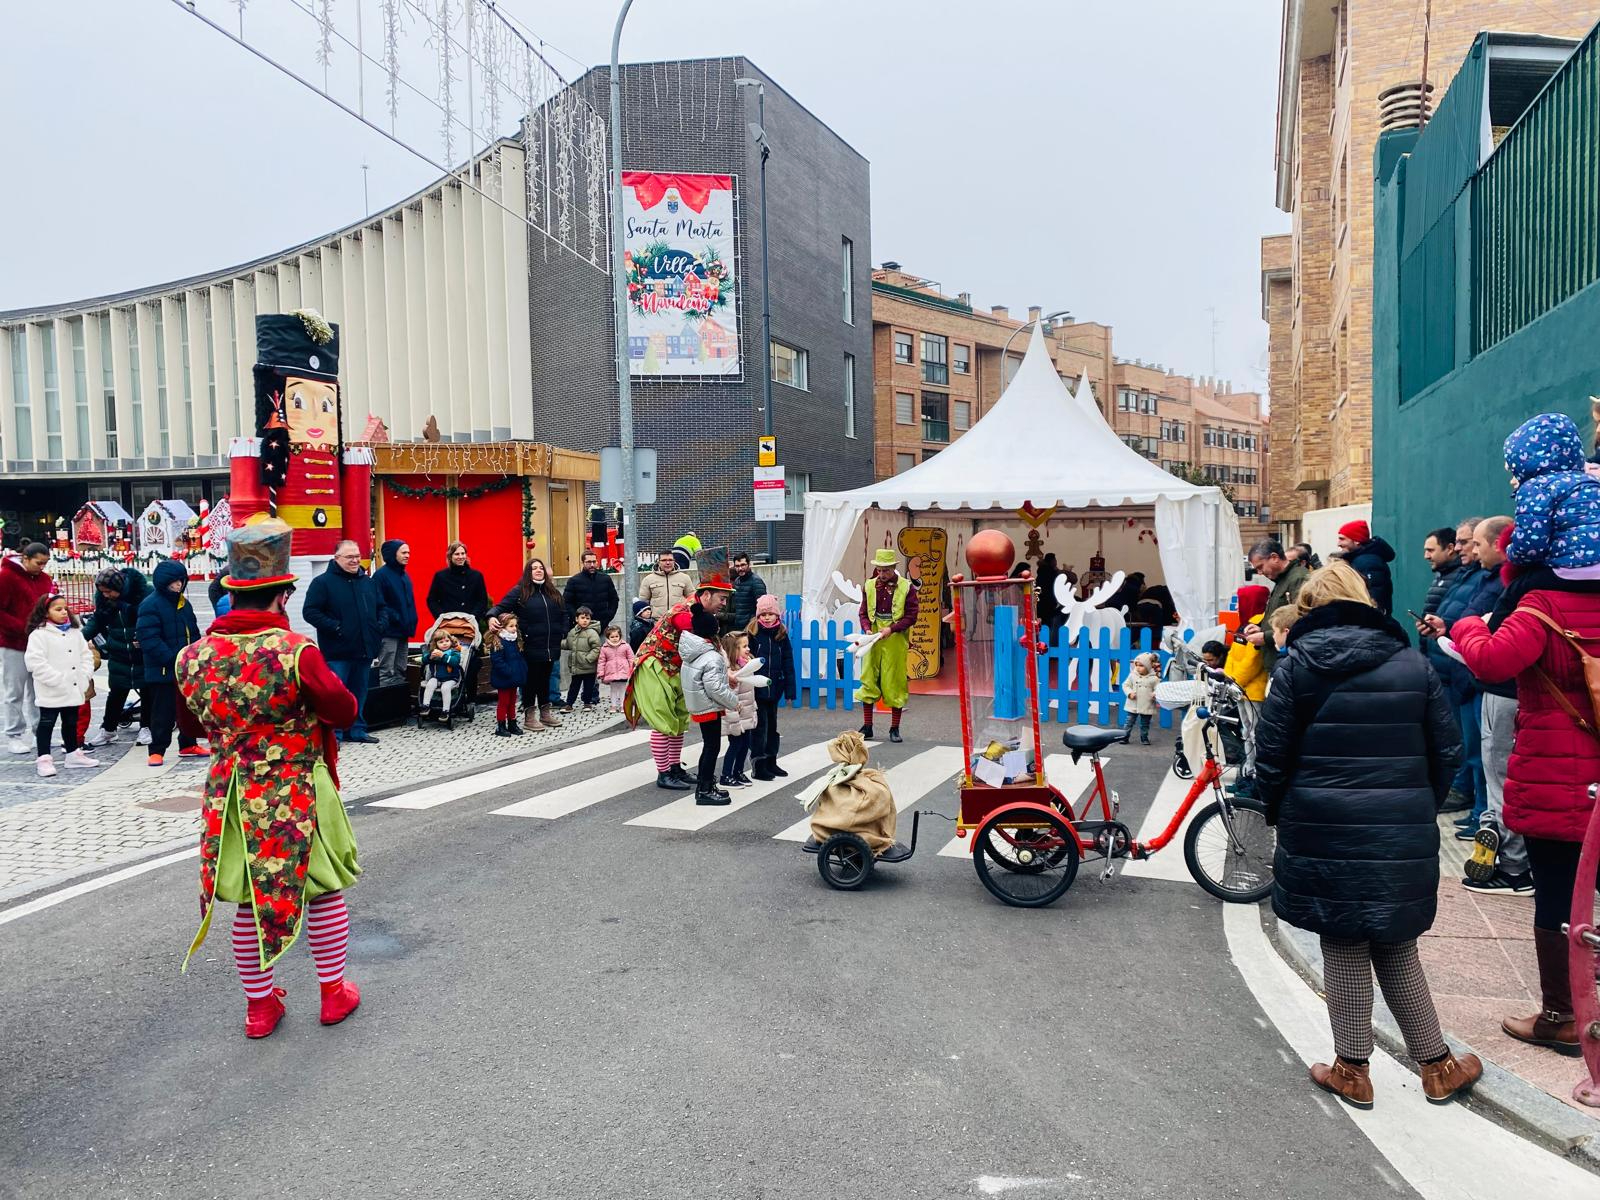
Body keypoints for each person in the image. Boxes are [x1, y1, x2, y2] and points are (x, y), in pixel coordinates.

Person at [1253, 560, 1476, 1108]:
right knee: (1396, 942)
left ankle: (1353, 1069)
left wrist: (1283, 813)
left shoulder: (1296, 667)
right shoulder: (1410, 663)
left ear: (1309, 607)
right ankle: (1437, 1065)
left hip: (1321, 823)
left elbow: (1271, 758)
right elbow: (1447, 752)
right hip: (1398, 825)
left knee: (1344, 940)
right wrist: (1416, 802)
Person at [176, 517, 362, 1040]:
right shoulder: (295, 651)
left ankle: (260, 1007)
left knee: (247, 898)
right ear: (282, 596)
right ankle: (332, 993)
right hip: (296, 786)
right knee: (321, 890)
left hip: (231, 791)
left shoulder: (192, 657)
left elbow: (189, 724)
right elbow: (343, 709)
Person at [1446, 529, 1600, 1058]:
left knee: (1556, 895)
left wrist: (1468, 624)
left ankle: (1562, 1015)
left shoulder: (1540, 605)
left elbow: (1492, 662)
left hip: (1557, 771)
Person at [626, 575, 734, 790]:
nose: (724, 603)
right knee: (663, 721)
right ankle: (663, 772)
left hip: (677, 668)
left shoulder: (702, 614)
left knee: (678, 721)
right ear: (706, 595)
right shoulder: (685, 613)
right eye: (721, 598)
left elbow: (713, 645)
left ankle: (675, 768)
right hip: (655, 665)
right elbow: (696, 634)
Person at [303, 540, 384, 745]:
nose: (355, 560)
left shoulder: (367, 581)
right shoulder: (322, 583)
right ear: (337, 558)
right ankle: (335, 734)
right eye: (350, 557)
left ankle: (357, 730)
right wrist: (336, 627)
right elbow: (310, 612)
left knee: (360, 691)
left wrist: (379, 625)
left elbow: (382, 607)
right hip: (338, 651)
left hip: (364, 648)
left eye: (357, 556)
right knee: (337, 693)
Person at [137, 560, 203, 767]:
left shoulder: (184, 603)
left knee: (188, 710)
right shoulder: (150, 604)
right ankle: (157, 750)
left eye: (180, 581)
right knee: (162, 712)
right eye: (173, 582)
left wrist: (196, 653)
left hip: (185, 668)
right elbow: (149, 639)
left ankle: (188, 744)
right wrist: (173, 659)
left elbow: (193, 632)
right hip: (163, 669)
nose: (178, 585)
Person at [24, 594, 100, 777]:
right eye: (58, 609)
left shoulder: (75, 633)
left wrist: (84, 675)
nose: (64, 612)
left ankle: (73, 753)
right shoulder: (39, 635)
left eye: (65, 608)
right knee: (47, 722)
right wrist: (57, 679)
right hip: (51, 688)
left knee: (71, 721)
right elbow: (35, 662)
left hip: (73, 687)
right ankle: (44, 758)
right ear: (45, 612)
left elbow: (86, 655)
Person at [488, 557, 566, 730]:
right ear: (528, 572)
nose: (538, 570)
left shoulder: (552, 592)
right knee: (530, 681)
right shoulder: (520, 591)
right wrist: (492, 616)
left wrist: (562, 632)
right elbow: (500, 607)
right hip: (530, 645)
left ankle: (545, 714)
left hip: (550, 646)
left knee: (545, 680)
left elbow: (564, 613)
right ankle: (529, 717)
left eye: (540, 568)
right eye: (534, 568)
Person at [81, 565, 149, 747]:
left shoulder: (141, 594)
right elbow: (96, 621)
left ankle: (147, 727)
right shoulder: (104, 602)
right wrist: (79, 638)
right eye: (102, 592)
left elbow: (151, 618)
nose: (106, 595)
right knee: (116, 692)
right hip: (118, 652)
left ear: (119, 588)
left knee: (147, 690)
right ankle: (109, 729)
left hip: (141, 652)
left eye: (109, 591)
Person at [856, 548, 919, 743]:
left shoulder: (906, 587)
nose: (882, 574)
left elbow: (911, 616)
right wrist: (867, 628)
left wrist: (891, 629)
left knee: (894, 681)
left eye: (886, 570)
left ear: (893, 568)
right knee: (868, 677)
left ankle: (894, 728)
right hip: (873, 636)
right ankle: (867, 726)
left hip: (895, 638)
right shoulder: (869, 586)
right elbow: (863, 612)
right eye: (880, 570)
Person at [681, 609, 740, 805]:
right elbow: (715, 687)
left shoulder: (692, 652)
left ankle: (705, 784)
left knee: (709, 746)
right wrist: (734, 702)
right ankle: (705, 788)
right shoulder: (711, 656)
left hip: (699, 704)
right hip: (708, 706)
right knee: (712, 747)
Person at [0, 542, 53, 755]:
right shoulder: (6, 577)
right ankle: (14, 734)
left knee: (38, 690)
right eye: (38, 563)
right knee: (15, 691)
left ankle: (40, 731)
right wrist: (23, 628)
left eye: (45, 563)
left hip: (39, 643)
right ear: (25, 559)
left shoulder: (45, 579)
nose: (42, 567)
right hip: (14, 644)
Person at [746, 594, 796, 780]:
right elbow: (745, 660)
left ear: (777, 615)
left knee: (772, 727)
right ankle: (758, 764)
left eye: (770, 614)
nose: (766, 617)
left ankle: (771, 761)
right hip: (757, 689)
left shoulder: (781, 634)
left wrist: (790, 689)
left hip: (774, 688)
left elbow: (788, 662)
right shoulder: (752, 634)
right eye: (763, 614)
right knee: (759, 728)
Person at [1240, 540, 1311, 669]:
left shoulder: (1298, 578)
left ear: (1274, 558)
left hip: (1288, 662)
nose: (1260, 573)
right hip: (1280, 660)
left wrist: (1265, 637)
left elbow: (1301, 622)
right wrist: (1261, 628)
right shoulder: (1283, 579)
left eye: (1260, 567)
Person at [371, 539, 417, 688]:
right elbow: (377, 603)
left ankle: (398, 703)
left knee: (400, 669)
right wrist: (395, 617)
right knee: (387, 671)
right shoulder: (381, 576)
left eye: (408, 552)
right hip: (389, 632)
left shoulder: (404, 575)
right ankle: (387, 705)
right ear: (393, 554)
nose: (407, 555)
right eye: (403, 552)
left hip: (403, 630)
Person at [719, 631, 759, 788]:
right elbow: (730, 700)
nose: (748, 649)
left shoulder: (747, 665)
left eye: (747, 645)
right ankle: (726, 775)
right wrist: (734, 722)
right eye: (743, 646)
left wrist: (753, 710)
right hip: (736, 717)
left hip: (746, 714)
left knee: (745, 745)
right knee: (735, 745)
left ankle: (738, 771)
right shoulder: (732, 674)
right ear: (733, 650)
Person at [1335, 520, 1396, 616]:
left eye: (1342, 539)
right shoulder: (1360, 561)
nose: (1338, 544)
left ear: (1357, 541)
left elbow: (1375, 598)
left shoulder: (1368, 563)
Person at [1224, 583, 1270, 703]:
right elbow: (1232, 654)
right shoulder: (1244, 624)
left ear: (1250, 601)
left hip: (1253, 692)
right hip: (1238, 688)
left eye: (1241, 601)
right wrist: (1228, 677)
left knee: (1253, 721)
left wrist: (1235, 681)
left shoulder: (1259, 625)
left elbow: (1253, 661)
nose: (1237, 607)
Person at [425, 541, 491, 623]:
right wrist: (442, 616)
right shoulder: (440, 576)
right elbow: (432, 600)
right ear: (450, 556)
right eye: (457, 554)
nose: (460, 556)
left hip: (470, 624)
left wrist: (473, 616)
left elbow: (482, 600)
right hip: (447, 624)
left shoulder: (476, 576)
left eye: (463, 553)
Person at [562, 549, 619, 633]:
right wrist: (578, 619)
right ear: (583, 563)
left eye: (594, 562)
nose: (592, 565)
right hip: (581, 628)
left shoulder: (605, 579)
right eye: (588, 562)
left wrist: (607, 617)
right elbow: (567, 603)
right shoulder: (574, 581)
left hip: (602, 626)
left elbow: (614, 600)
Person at [489, 615, 528, 736]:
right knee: (503, 702)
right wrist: (509, 672)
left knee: (512, 702)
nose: (514, 628)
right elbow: (497, 661)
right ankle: (501, 726)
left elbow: (519, 658)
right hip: (504, 678)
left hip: (514, 677)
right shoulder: (498, 642)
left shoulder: (515, 640)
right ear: (502, 627)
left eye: (515, 625)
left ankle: (512, 723)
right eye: (511, 626)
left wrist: (522, 669)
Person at [561, 606, 602, 712]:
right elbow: (568, 644)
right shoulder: (572, 632)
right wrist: (558, 643)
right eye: (582, 618)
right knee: (574, 686)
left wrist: (588, 659)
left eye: (587, 618)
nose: (585, 620)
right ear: (576, 619)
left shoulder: (592, 633)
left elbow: (596, 648)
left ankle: (587, 703)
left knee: (588, 686)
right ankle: (569, 704)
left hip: (588, 666)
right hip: (576, 666)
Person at [1421, 526, 1463, 616]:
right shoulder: (1440, 574)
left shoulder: (1463, 576)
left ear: (1450, 548)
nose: (1426, 556)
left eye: (1430, 550)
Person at [421, 630, 464, 712]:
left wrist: (443, 656)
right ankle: (425, 706)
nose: (444, 643)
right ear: (436, 644)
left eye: (447, 641)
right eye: (441, 642)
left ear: (451, 641)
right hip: (436, 678)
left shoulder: (454, 652)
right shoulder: (433, 652)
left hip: (451, 678)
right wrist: (430, 657)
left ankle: (446, 710)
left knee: (445, 688)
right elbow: (424, 660)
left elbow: (455, 662)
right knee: (430, 684)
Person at [638, 551, 692, 615]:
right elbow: (643, 602)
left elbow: (692, 598)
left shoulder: (684, 578)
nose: (668, 563)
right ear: (658, 562)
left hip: (678, 620)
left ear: (674, 561)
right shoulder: (648, 579)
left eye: (670, 560)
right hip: (657, 621)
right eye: (664, 560)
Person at [1121, 651, 1157, 744]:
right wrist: (1129, 693)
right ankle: (1124, 737)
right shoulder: (1133, 675)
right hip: (1133, 703)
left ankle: (1144, 737)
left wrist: (1155, 693)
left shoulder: (1154, 678)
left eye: (1141, 666)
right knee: (1129, 722)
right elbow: (1125, 685)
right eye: (1136, 665)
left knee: (1145, 724)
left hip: (1147, 704)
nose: (1138, 668)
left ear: (1148, 666)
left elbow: (1158, 688)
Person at [727, 552, 768, 633]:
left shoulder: (756, 582)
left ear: (749, 564)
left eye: (743, 565)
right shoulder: (737, 581)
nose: (740, 568)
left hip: (751, 628)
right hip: (739, 626)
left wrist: (753, 624)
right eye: (737, 566)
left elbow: (763, 607)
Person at [597, 625, 635, 712]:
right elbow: (601, 661)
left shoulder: (626, 646)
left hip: (623, 671)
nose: (615, 638)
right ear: (608, 637)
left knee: (622, 689)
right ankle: (613, 705)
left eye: (616, 636)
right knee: (613, 689)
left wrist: (632, 670)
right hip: (611, 672)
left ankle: (622, 705)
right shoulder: (604, 648)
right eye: (612, 637)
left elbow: (631, 658)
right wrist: (601, 673)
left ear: (620, 636)